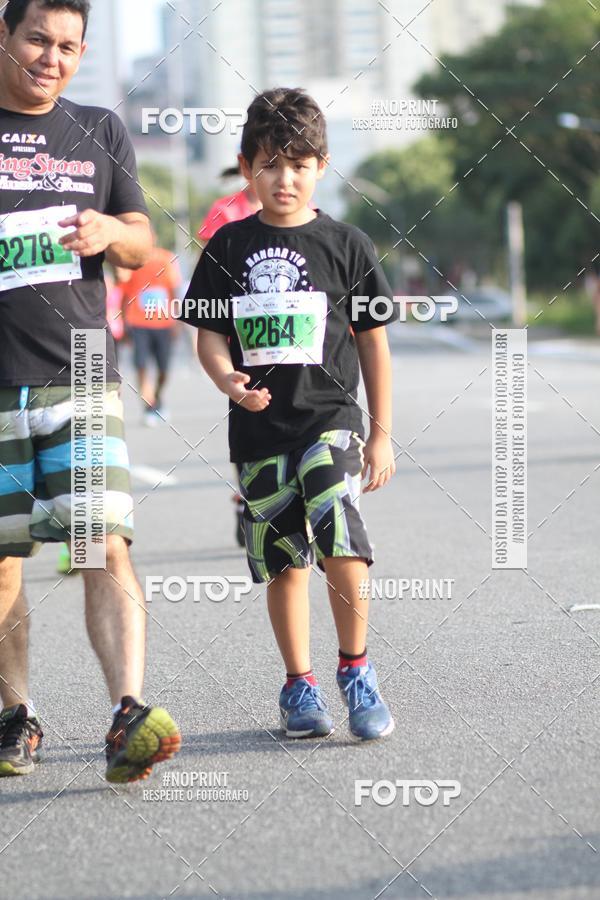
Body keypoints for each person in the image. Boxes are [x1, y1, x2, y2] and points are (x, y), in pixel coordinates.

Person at [0, 0, 180, 781]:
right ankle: (14, 718)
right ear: (4, 35)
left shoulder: (100, 128)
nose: (52, 57)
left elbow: (145, 238)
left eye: (69, 45)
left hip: (79, 370)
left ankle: (126, 714)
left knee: (101, 543)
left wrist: (113, 234)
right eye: (37, 38)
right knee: (2, 561)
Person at [183, 87, 398, 741]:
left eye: (300, 163)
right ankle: (298, 686)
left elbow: (372, 341)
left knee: (340, 537)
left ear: (322, 168)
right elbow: (209, 335)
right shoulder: (227, 246)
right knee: (283, 561)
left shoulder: (346, 244)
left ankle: (356, 670)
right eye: (272, 164)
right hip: (257, 430)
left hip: (331, 418)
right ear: (247, 168)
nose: (286, 178)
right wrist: (228, 380)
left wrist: (381, 432)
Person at [120, 247, 180, 425]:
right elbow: (125, 293)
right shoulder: (132, 259)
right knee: (141, 365)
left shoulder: (167, 259)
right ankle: (149, 406)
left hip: (163, 322)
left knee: (164, 369)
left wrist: (177, 320)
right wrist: (124, 322)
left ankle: (157, 396)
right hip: (138, 322)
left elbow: (174, 290)